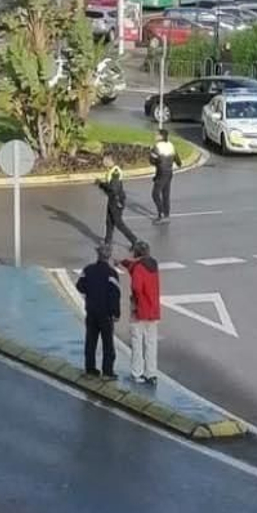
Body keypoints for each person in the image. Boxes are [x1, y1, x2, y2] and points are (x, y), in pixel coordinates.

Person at [75, 245, 121, 379]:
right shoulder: (112, 273)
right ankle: (107, 371)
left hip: (91, 311)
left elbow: (79, 286)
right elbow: (115, 295)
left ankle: (90, 369)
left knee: (91, 341)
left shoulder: (88, 270)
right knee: (108, 343)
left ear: (98, 255)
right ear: (109, 256)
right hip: (105, 313)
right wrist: (116, 313)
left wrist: (89, 293)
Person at [119, 241, 161, 385]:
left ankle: (137, 372)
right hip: (153, 309)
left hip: (140, 309)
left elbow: (136, 286)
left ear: (136, 253)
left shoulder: (137, 268)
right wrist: (123, 262)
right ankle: (152, 373)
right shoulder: (154, 265)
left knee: (137, 341)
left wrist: (135, 302)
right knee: (151, 342)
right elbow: (131, 265)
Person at [96, 155, 139, 247]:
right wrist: (102, 185)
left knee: (118, 223)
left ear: (110, 161)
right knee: (109, 221)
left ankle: (134, 240)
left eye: (105, 161)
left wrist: (101, 184)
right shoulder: (111, 170)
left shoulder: (115, 172)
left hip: (116, 200)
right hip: (112, 198)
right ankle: (108, 241)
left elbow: (113, 188)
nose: (103, 163)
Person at [150, 130, 182, 224]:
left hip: (161, 172)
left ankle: (161, 214)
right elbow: (177, 159)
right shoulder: (171, 145)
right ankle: (167, 214)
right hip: (169, 172)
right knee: (166, 194)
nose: (155, 135)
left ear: (161, 136)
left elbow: (152, 160)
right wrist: (177, 163)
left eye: (157, 134)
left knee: (155, 194)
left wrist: (157, 163)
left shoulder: (157, 147)